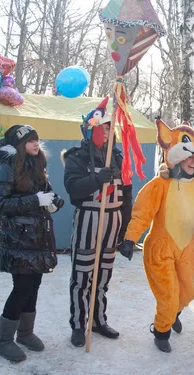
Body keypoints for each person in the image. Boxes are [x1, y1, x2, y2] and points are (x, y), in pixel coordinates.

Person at [119, 119, 194, 353]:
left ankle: (173, 314)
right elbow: (142, 213)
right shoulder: (159, 185)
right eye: (190, 157)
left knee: (188, 291)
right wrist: (130, 238)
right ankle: (161, 331)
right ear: (178, 158)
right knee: (169, 295)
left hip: (187, 249)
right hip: (160, 248)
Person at [63, 99, 132, 347]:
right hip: (88, 221)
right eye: (102, 126)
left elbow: (127, 195)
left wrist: (125, 229)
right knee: (83, 275)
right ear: (90, 128)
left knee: (103, 275)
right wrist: (95, 179)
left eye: (109, 126)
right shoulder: (77, 157)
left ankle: (98, 320)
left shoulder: (118, 157)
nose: (107, 130)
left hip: (112, 222)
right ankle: (79, 324)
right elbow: (72, 189)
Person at [0, 124, 61, 362]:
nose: (35, 144)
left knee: (34, 286)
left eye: (37, 140)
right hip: (17, 241)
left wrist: (53, 202)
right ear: (19, 144)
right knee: (21, 289)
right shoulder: (7, 167)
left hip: (38, 239)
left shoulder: (37, 165)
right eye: (30, 141)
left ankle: (25, 332)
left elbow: (49, 192)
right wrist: (34, 200)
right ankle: (3, 340)